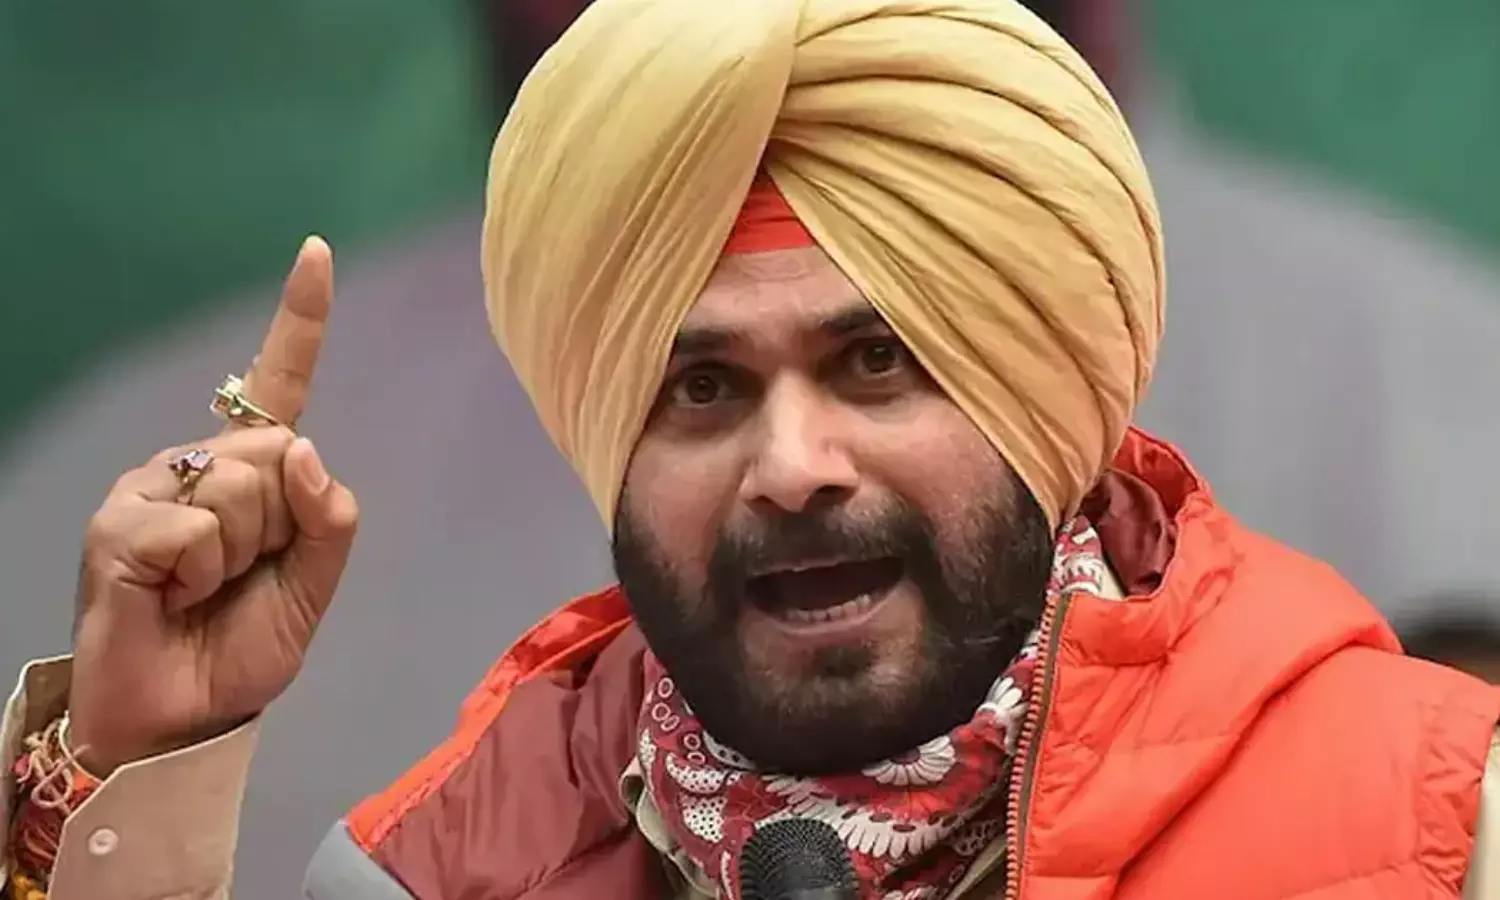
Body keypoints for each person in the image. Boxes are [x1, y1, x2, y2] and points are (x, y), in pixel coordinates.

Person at [4, 1, 1499, 898]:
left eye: (877, 363)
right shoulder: (437, 871)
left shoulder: (1442, 822)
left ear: (1044, 405)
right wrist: (137, 768)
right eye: (703, 388)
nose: (793, 464)